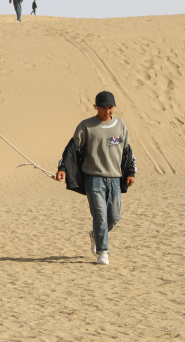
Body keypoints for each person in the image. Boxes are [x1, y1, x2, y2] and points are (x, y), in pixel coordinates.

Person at [55, 91, 137, 265]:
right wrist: (62, 168)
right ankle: (103, 252)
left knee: (114, 216)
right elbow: (71, 149)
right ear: (96, 107)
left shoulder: (120, 125)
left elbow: (127, 151)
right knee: (99, 215)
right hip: (93, 178)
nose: (108, 111)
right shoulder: (86, 126)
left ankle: (95, 234)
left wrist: (131, 172)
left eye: (111, 107)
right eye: (104, 107)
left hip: (114, 177)